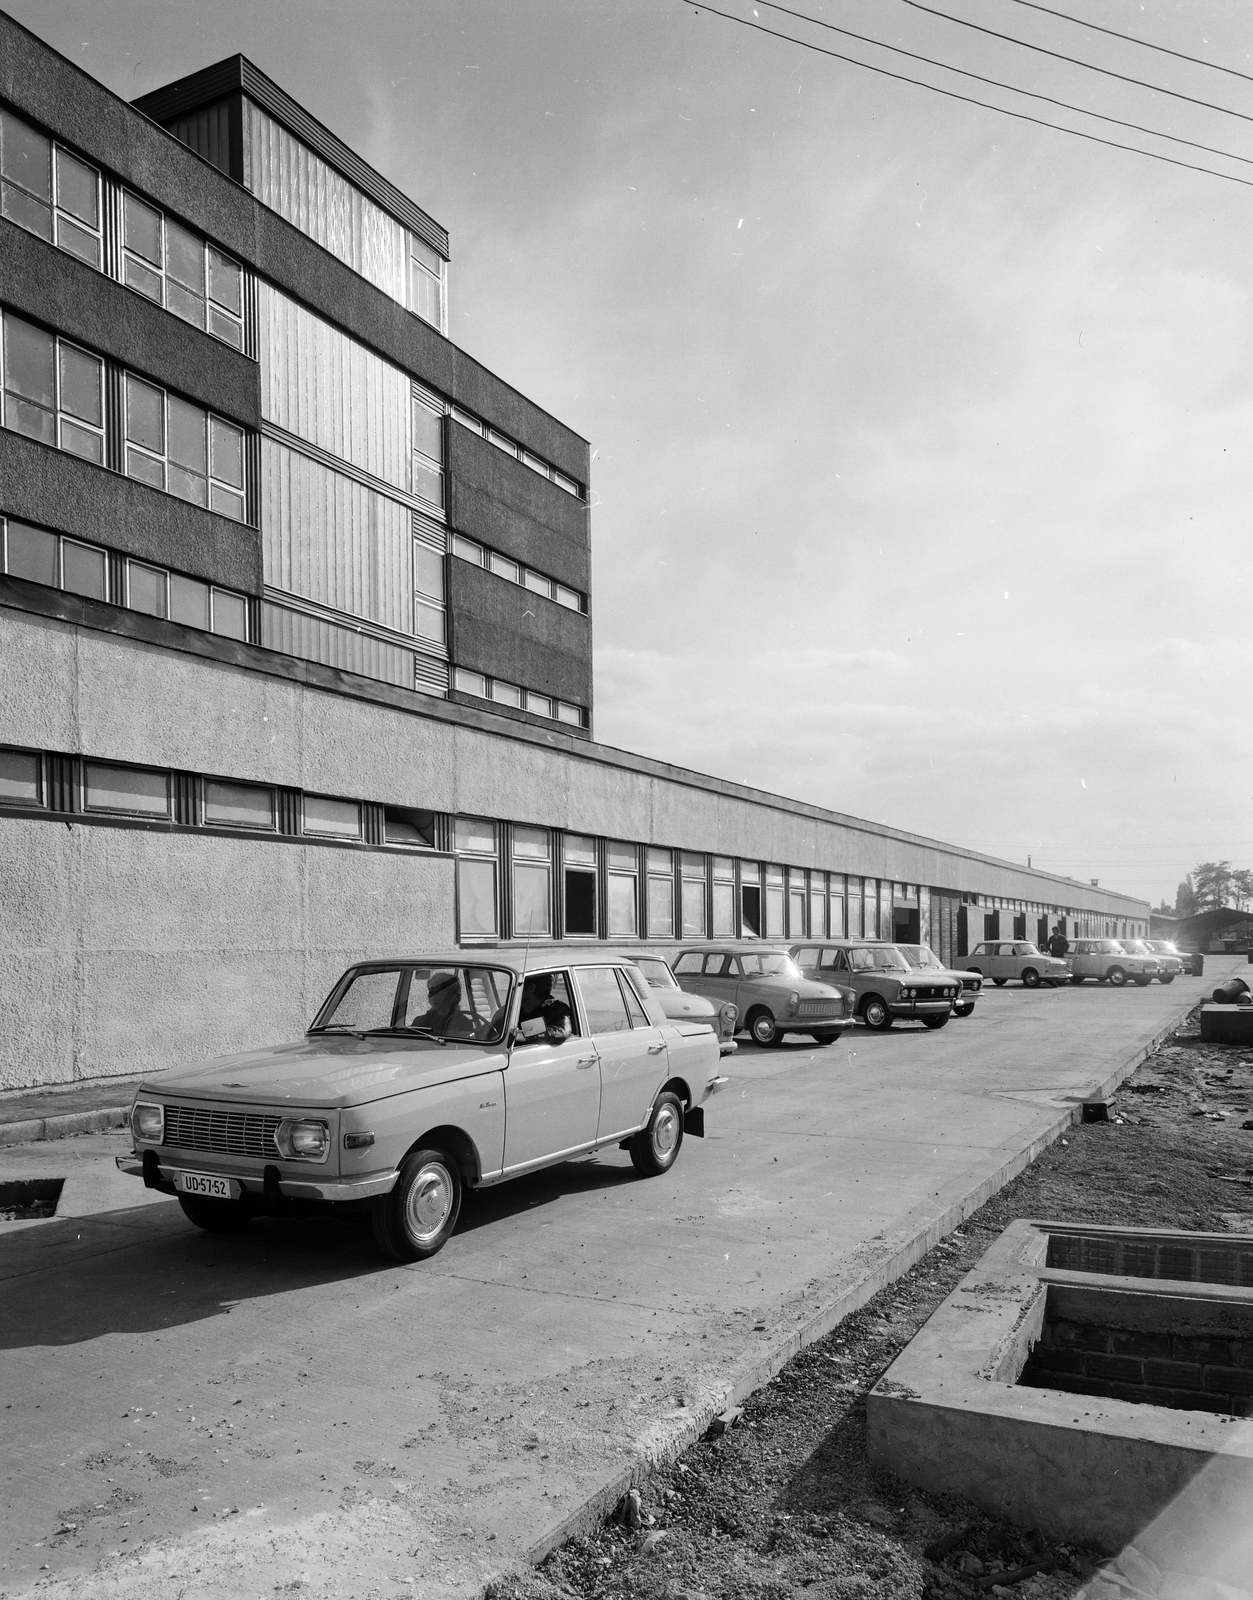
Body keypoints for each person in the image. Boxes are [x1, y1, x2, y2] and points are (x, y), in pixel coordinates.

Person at [411, 969, 476, 1038]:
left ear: (451, 995)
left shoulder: (463, 1024)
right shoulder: (419, 1022)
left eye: (438, 992)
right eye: (431, 992)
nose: (433, 996)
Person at [517, 972, 574, 1042]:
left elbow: (562, 1031)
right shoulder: (515, 1008)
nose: (513, 991)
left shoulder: (558, 1010)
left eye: (517, 986)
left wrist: (526, 1036)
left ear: (531, 988)